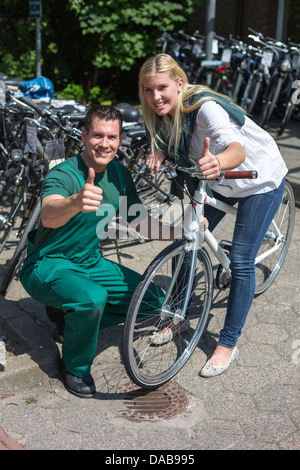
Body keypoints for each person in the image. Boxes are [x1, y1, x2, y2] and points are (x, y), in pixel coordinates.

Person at [139, 53, 288, 377]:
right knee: (187, 242)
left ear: (179, 84)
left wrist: (220, 162)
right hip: (217, 181)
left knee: (241, 261)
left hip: (256, 178)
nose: (156, 97)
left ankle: (228, 343)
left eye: (162, 88)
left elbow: (237, 149)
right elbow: (180, 149)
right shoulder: (160, 116)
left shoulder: (205, 108)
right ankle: (178, 315)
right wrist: (162, 150)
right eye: (149, 91)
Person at [20, 105, 180, 398]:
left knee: (155, 301)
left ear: (119, 140)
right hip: (48, 265)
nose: (104, 144)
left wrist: (180, 231)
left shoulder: (118, 173)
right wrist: (76, 201)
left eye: (112, 137)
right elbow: (48, 215)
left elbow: (139, 220)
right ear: (84, 135)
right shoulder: (65, 172)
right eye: (97, 135)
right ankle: (76, 367)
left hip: (90, 262)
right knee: (93, 297)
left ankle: (71, 320)